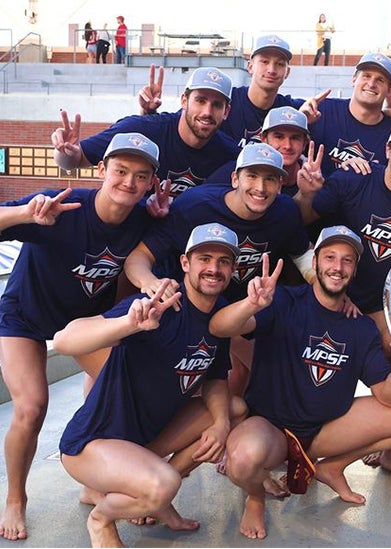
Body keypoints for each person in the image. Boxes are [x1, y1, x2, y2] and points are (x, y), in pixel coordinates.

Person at [210, 226, 391, 539]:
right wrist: (252, 304)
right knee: (242, 462)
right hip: (270, 427)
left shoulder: (361, 328)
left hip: (324, 431)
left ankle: (330, 466)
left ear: (354, 271)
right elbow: (219, 328)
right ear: (314, 264)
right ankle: (256, 497)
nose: (337, 267)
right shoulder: (283, 300)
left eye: (347, 261)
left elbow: (389, 396)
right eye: (329, 257)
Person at [0, 133, 161, 542]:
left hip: (84, 324)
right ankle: (16, 496)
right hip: (26, 317)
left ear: (150, 184)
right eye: (120, 171)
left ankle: (95, 483)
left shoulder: (144, 218)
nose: (128, 182)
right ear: (101, 170)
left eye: (140, 176)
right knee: (32, 407)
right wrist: (25, 217)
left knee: (117, 394)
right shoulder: (62, 205)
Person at [55, 223, 245, 548]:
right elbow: (64, 341)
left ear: (233, 269)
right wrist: (128, 324)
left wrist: (222, 424)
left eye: (223, 261)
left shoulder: (219, 316)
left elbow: (214, 378)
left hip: (145, 442)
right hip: (92, 444)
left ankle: (155, 493)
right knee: (162, 484)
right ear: (185, 263)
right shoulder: (158, 305)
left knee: (234, 409)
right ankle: (102, 519)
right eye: (204, 258)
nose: (213, 269)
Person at [295, 118, 391, 484]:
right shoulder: (352, 181)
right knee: (319, 370)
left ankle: (389, 454)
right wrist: (305, 193)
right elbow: (299, 224)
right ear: (387, 150)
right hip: (333, 300)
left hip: (382, 308)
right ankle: (298, 442)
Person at [124, 142, 313, 398]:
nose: (260, 187)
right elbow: (139, 257)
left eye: (270, 179)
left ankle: (227, 428)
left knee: (259, 376)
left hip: (243, 311)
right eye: (252, 176)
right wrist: (150, 281)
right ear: (235, 178)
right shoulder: (196, 206)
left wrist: (329, 288)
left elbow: (303, 256)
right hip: (189, 312)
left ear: (280, 186)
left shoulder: (285, 211)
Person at [53, 66, 239, 200]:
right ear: (184, 101)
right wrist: (64, 152)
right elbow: (73, 162)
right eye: (200, 100)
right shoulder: (141, 129)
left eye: (217, 105)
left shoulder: (230, 154)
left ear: (226, 112)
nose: (207, 112)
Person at [139, 35, 306, 147]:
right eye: (264, 61)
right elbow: (183, 123)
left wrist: (309, 115)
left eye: (279, 64)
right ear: (250, 66)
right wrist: (148, 111)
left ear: (287, 72)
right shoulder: (221, 99)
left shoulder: (291, 110)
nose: (271, 69)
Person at [299, 52, 391, 177]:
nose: (371, 84)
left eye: (380, 80)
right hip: (316, 193)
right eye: (366, 76)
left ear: (389, 90)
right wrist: (300, 120)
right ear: (354, 79)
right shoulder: (321, 110)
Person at [205, 106, 311, 197]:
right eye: (279, 137)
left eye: (295, 138)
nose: (287, 145)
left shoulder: (313, 180)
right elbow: (201, 199)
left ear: (305, 143)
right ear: (263, 139)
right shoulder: (238, 170)